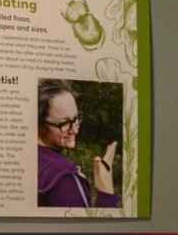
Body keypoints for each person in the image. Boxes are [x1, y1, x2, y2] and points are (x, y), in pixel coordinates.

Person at [36, 78, 120, 209]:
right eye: (64, 123)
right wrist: (106, 191)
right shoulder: (66, 181)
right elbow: (88, 230)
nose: (75, 129)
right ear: (40, 124)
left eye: (76, 118)